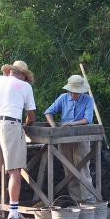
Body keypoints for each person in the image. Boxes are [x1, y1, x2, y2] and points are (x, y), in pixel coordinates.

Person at [0, 60, 36, 219]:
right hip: (11, 124)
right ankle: (13, 214)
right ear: (22, 74)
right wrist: (28, 122)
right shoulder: (25, 86)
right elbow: (31, 115)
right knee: (14, 170)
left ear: (9, 71)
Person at [44, 75, 95, 203]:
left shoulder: (88, 99)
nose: (74, 94)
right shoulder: (63, 98)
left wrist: (72, 123)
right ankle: (76, 200)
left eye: (77, 92)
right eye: (72, 92)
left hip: (81, 137)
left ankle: (88, 199)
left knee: (82, 168)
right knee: (69, 170)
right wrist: (54, 126)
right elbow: (48, 112)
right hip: (63, 138)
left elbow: (87, 119)